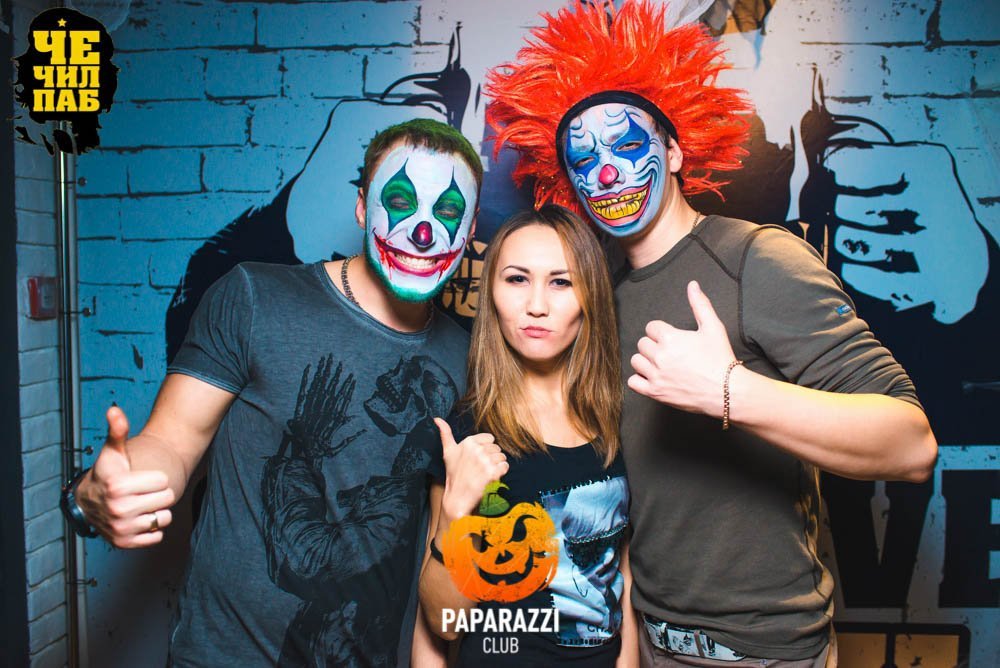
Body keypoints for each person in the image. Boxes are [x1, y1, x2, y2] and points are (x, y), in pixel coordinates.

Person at [485, 2, 938, 666]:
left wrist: (730, 390)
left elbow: (912, 444)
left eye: (627, 146)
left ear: (673, 152)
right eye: (583, 158)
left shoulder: (756, 260)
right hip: (647, 644)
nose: (606, 173)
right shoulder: (593, 294)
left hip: (764, 652)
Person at [61, 118, 483, 666]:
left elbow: (437, 545)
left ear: (471, 228)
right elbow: (171, 441)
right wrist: (99, 492)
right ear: (362, 207)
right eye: (400, 201)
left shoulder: (465, 358)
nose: (422, 233)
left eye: (447, 211)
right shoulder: (255, 297)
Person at [415, 205, 637, 667]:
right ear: (492, 293)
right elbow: (443, 625)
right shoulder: (470, 431)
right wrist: (455, 514)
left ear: (590, 296)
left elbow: (621, 575)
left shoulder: (614, 422)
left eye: (561, 282)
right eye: (517, 279)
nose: (537, 305)